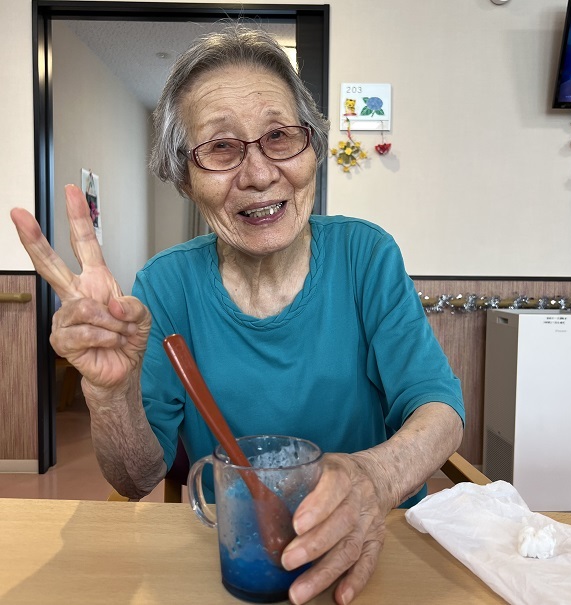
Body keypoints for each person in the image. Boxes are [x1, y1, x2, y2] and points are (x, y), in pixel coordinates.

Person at [11, 25, 464, 605]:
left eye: (279, 136)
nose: (258, 174)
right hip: (238, 556)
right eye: (221, 148)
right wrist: (109, 396)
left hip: (377, 543)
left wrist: (375, 478)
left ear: (312, 149)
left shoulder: (366, 254)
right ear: (185, 177)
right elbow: (136, 476)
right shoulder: (165, 285)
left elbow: (439, 410)